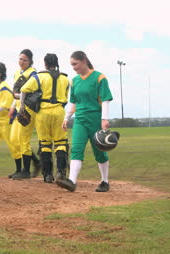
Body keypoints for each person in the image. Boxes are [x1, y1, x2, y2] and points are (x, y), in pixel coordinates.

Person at [56, 51, 113, 192]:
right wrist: (66, 118)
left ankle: (104, 181)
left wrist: (104, 119)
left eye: (75, 64)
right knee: (76, 149)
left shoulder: (99, 78)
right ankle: (72, 182)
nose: (73, 67)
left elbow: (105, 99)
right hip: (80, 119)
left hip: (95, 118)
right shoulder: (74, 81)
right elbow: (73, 102)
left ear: (84, 61)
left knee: (99, 152)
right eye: (72, 65)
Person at [19, 53, 69, 183]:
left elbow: (23, 90)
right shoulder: (65, 79)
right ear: (56, 63)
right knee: (61, 143)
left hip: (43, 113)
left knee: (45, 143)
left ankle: (47, 175)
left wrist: (22, 107)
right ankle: (60, 172)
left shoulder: (39, 77)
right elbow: (67, 98)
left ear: (45, 64)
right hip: (59, 111)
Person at [8, 49, 41, 179]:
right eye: (20, 59)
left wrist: (17, 96)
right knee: (14, 140)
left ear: (30, 61)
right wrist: (12, 106)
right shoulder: (17, 72)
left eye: (25, 60)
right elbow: (15, 94)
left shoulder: (33, 73)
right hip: (18, 109)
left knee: (23, 139)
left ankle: (26, 171)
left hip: (28, 110)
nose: (21, 62)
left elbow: (33, 92)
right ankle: (20, 169)